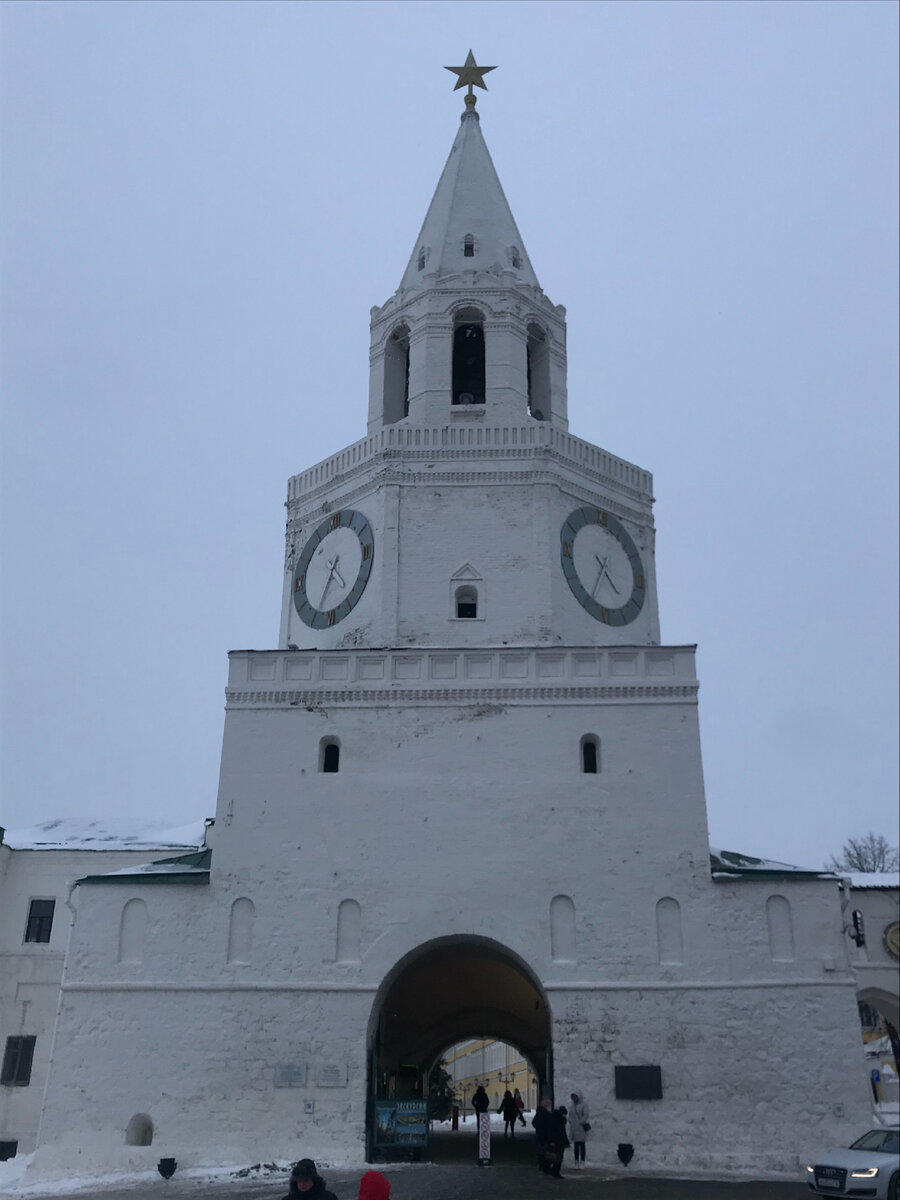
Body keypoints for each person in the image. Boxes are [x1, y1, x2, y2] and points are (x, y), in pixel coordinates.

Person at [568, 1090, 590, 1169]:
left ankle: (582, 1162)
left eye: (575, 1096)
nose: (574, 1098)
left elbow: (586, 1114)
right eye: (573, 1097)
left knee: (582, 1145)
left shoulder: (584, 1105)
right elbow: (570, 1115)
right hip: (574, 1128)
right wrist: (570, 1121)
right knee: (576, 1146)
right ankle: (576, 1162)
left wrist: (581, 1122)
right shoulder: (572, 1106)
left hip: (581, 1128)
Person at [547, 1105, 570, 1179]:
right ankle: (554, 1172)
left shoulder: (559, 1120)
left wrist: (566, 1141)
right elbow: (553, 1132)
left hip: (560, 1141)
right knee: (557, 1157)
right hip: (557, 1142)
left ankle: (554, 1171)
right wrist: (552, 1141)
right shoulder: (557, 1120)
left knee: (557, 1157)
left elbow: (563, 1132)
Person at [531, 1096, 553, 1172]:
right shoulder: (547, 1114)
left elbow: (533, 1123)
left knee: (540, 1150)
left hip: (539, 1134)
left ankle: (541, 1165)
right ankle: (544, 1166)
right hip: (545, 1135)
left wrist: (538, 1128)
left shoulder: (539, 1113)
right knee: (545, 1150)